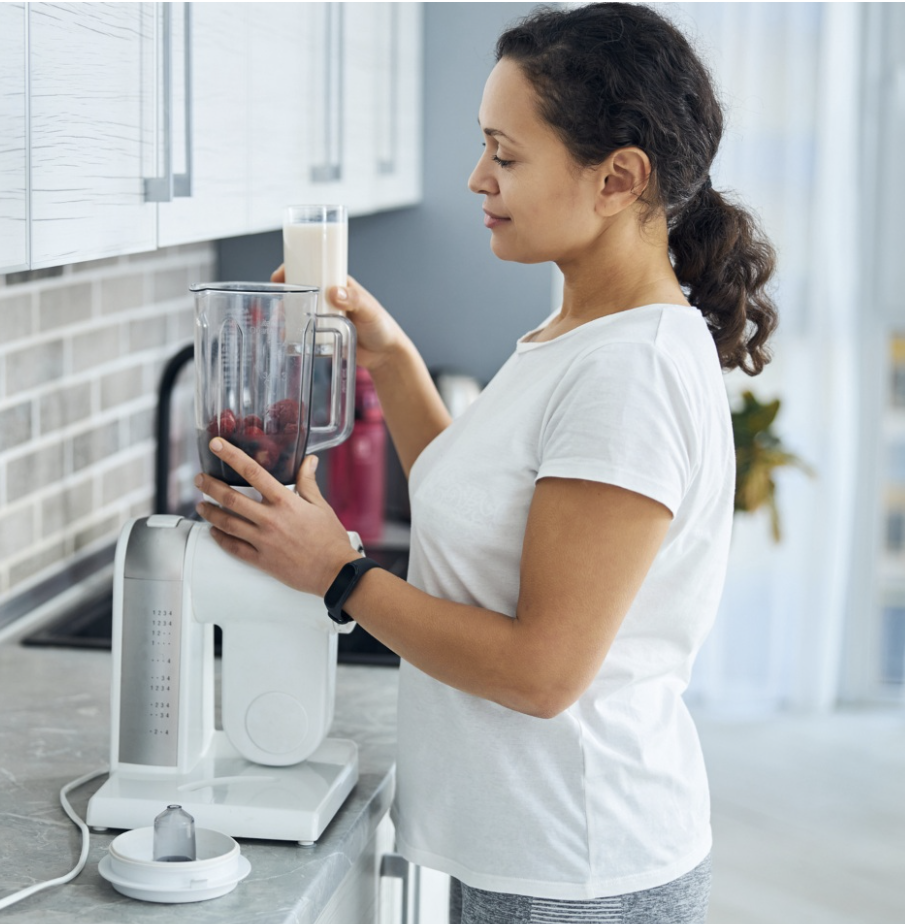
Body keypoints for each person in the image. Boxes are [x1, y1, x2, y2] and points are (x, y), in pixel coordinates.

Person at [193, 3, 778, 922]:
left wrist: (335, 574)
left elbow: (544, 673)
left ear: (619, 178)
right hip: (533, 848)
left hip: (579, 867)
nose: (478, 178)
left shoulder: (629, 372)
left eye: (506, 155)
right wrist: (388, 353)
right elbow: (476, 502)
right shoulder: (581, 331)